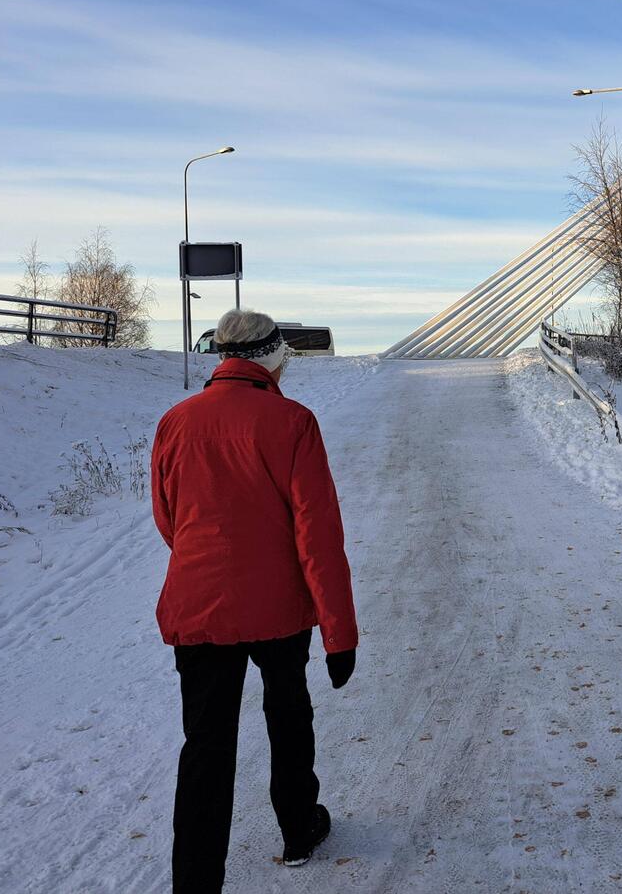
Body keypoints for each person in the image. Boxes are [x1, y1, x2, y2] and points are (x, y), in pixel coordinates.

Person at [151, 308, 359, 893]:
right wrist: (339, 634)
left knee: (206, 744)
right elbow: (317, 534)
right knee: (288, 714)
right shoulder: (293, 422)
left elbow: (169, 519)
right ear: (271, 359)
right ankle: (298, 829)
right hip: (277, 609)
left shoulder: (176, 421)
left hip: (199, 606)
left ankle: (195, 883)